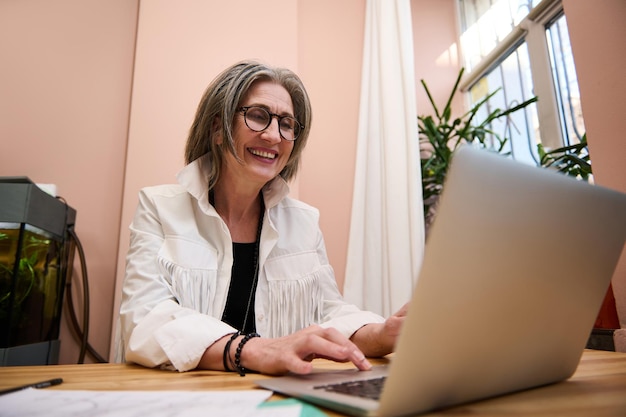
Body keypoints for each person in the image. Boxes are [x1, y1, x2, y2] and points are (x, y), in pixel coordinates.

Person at [118, 60, 408, 375]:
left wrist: (383, 334)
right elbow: (143, 320)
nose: (273, 135)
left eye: (287, 124)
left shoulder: (304, 223)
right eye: (258, 116)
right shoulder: (159, 208)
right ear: (218, 128)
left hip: (271, 397)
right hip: (182, 396)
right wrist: (254, 350)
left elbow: (331, 314)